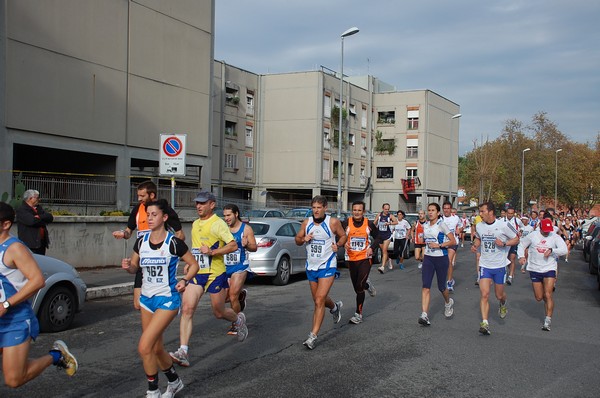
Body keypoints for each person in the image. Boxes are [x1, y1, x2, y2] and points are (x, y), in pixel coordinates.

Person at [121, 199, 199, 398]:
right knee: (155, 348)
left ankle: (152, 391)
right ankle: (174, 381)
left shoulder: (173, 243)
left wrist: (185, 280)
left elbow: (194, 264)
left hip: (167, 299)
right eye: (147, 215)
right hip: (147, 299)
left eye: (154, 214)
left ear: (164, 217)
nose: (149, 218)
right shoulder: (141, 241)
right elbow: (134, 268)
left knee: (144, 346)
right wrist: (128, 266)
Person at [0, 202, 77, 388]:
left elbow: (37, 281)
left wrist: (5, 305)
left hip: (14, 320)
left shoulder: (14, 249)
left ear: (6, 224)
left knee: (14, 379)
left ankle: (56, 355)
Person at [170, 191, 248, 367]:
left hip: (216, 274)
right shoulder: (196, 223)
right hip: (199, 273)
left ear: (212, 205)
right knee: (188, 308)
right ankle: (183, 351)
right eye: (197, 203)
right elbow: (197, 248)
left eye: (202, 203)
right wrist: (191, 263)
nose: (198, 206)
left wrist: (213, 252)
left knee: (218, 312)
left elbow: (233, 245)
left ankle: (237, 320)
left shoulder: (218, 224)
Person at [112, 180, 185, 311]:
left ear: (152, 195)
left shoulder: (165, 211)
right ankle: (156, 327)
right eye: (138, 196)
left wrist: (170, 250)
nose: (139, 199)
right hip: (143, 261)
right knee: (137, 304)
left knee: (159, 302)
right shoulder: (137, 210)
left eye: (142, 196)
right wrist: (123, 234)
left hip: (160, 262)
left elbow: (181, 235)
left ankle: (158, 324)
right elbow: (129, 231)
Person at [295, 195, 347, 349]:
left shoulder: (332, 222)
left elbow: (343, 235)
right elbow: (297, 240)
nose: (316, 211)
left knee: (319, 300)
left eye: (319, 207)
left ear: (325, 208)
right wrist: (303, 239)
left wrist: (338, 244)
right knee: (319, 300)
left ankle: (313, 336)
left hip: (327, 264)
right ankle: (335, 307)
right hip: (311, 266)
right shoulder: (307, 223)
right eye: (314, 208)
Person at [470, 202, 519, 335]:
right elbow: (479, 239)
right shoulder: (479, 226)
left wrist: (504, 243)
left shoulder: (503, 225)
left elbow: (516, 239)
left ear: (490, 212)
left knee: (498, 295)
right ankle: (485, 323)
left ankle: (503, 303)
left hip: (499, 265)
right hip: (485, 264)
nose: (480, 214)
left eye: (482, 211)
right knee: (484, 294)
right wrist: (475, 245)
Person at [517, 218, 568, 331]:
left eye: (548, 230)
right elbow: (521, 245)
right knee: (539, 297)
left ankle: (547, 320)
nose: (546, 232)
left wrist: (552, 250)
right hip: (535, 268)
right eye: (545, 230)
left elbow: (564, 249)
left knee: (548, 294)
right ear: (540, 227)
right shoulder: (532, 235)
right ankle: (546, 304)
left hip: (549, 268)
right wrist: (521, 256)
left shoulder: (554, 236)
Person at [418, 203, 456, 326]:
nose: (430, 212)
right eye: (429, 210)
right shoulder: (426, 225)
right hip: (428, 258)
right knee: (425, 286)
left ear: (438, 213)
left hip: (441, 258)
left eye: (433, 210)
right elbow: (426, 241)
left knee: (441, 287)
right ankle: (424, 314)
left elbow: (453, 241)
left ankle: (448, 302)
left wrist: (439, 245)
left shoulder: (441, 225)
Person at [341, 201, 378, 324]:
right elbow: (338, 234)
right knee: (357, 288)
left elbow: (379, 237)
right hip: (351, 259)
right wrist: (343, 242)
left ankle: (358, 314)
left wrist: (371, 247)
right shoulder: (346, 223)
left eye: (359, 210)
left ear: (364, 212)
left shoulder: (369, 224)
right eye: (354, 210)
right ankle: (368, 286)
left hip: (364, 259)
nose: (356, 212)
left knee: (359, 286)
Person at [222, 204, 257, 335]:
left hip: (240, 266)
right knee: (224, 299)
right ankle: (241, 297)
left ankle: (236, 324)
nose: (226, 218)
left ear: (236, 214)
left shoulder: (246, 229)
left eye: (229, 215)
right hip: (225, 267)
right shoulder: (223, 229)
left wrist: (246, 245)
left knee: (232, 296)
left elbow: (254, 247)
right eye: (224, 215)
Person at [16, 189, 53, 255]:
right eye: (37, 198)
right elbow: (32, 221)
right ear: (30, 198)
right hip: (30, 244)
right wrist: (43, 221)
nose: (39, 200)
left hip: (41, 243)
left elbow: (50, 217)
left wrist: (39, 217)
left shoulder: (39, 208)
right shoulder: (22, 210)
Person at [442, 201, 461, 291]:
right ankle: (451, 278)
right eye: (444, 208)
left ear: (451, 209)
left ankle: (449, 282)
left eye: (448, 208)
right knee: (443, 264)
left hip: (453, 242)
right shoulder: (440, 219)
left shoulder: (455, 218)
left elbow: (461, 226)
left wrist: (459, 230)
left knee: (448, 261)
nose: (446, 210)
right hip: (442, 243)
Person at [503, 207, 525, 285]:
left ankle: (510, 277)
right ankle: (510, 271)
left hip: (514, 242)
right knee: (506, 259)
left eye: (511, 213)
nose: (510, 215)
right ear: (506, 213)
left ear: (514, 214)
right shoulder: (501, 221)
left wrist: (521, 231)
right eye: (508, 213)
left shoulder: (517, 220)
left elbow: (522, 227)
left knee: (512, 258)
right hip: (505, 242)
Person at [374, 203, 397, 273]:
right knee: (383, 251)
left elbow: (396, 222)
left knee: (384, 250)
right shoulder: (379, 215)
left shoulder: (390, 216)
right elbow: (375, 222)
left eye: (388, 209)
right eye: (385, 209)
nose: (387, 210)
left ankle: (382, 266)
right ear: (382, 209)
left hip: (387, 235)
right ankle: (389, 259)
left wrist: (389, 223)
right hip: (380, 235)